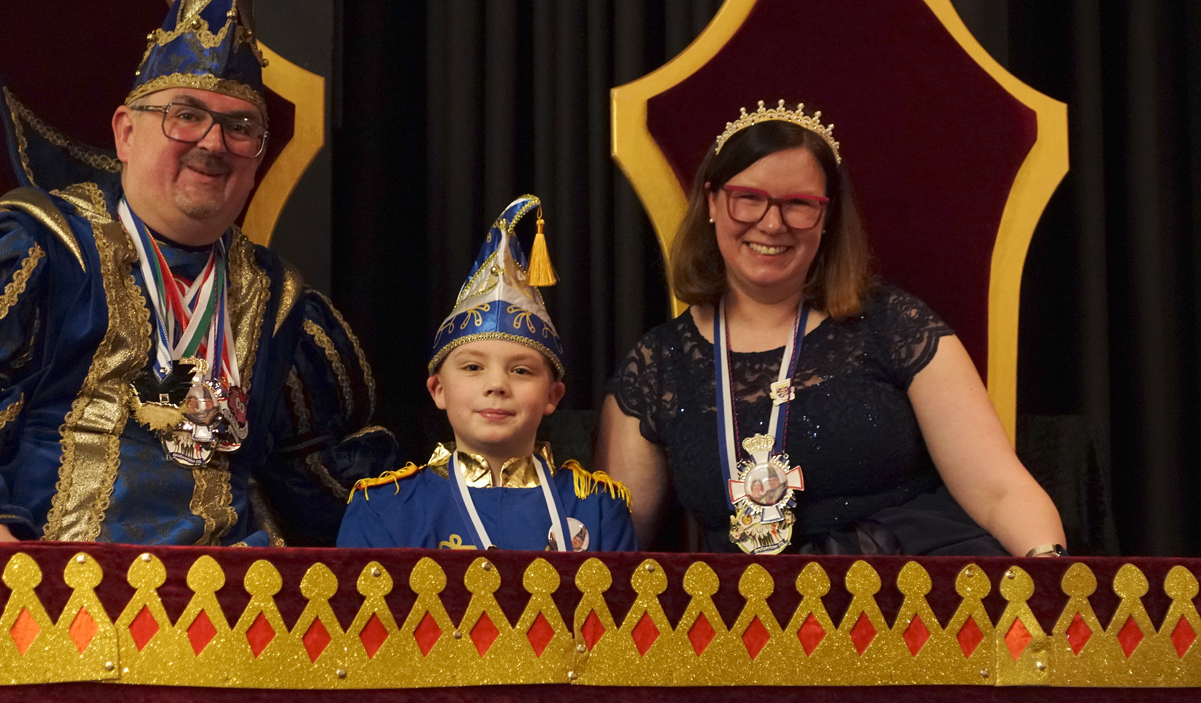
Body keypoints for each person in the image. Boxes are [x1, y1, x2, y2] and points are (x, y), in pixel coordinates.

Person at [0, 0, 399, 545]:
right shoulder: (33, 249)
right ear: (125, 132)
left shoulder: (280, 304)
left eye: (241, 128)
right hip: (39, 577)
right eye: (185, 115)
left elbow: (324, 484)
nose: (213, 143)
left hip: (225, 589)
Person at [596, 101, 1067, 557]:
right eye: (749, 199)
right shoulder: (659, 365)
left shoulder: (893, 325)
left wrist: (1051, 575)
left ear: (826, 218)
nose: (772, 223)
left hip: (913, 589)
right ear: (713, 202)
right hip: (753, 604)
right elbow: (610, 551)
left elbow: (999, 491)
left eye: (799, 204)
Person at [338, 196, 636, 552]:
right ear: (438, 389)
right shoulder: (384, 509)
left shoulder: (597, 508)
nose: (496, 385)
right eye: (473, 367)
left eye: (521, 370)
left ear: (553, 395)